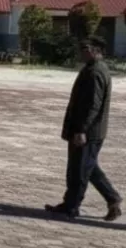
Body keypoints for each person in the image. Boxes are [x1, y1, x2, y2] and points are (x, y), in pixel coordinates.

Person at [46, 37, 122, 222]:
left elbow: (92, 106)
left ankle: (72, 206)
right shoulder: (92, 68)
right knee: (87, 168)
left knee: (80, 171)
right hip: (87, 131)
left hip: (88, 132)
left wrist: (81, 130)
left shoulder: (95, 72)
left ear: (96, 50)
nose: (81, 52)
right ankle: (111, 199)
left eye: (85, 48)